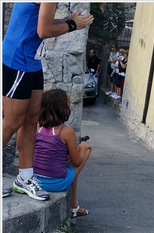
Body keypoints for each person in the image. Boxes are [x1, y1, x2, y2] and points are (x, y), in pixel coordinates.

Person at [2, 2, 93, 200]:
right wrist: (72, 25)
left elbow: (42, 22)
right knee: (12, 122)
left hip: (32, 60)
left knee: (30, 120)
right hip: (17, 59)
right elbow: (44, 30)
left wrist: (69, 21)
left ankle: (25, 178)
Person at [33, 89, 91, 217]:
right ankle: (73, 206)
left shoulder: (37, 127)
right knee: (86, 148)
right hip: (56, 183)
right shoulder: (66, 131)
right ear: (63, 108)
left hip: (36, 180)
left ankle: (74, 205)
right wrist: (81, 147)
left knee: (69, 161)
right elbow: (77, 162)